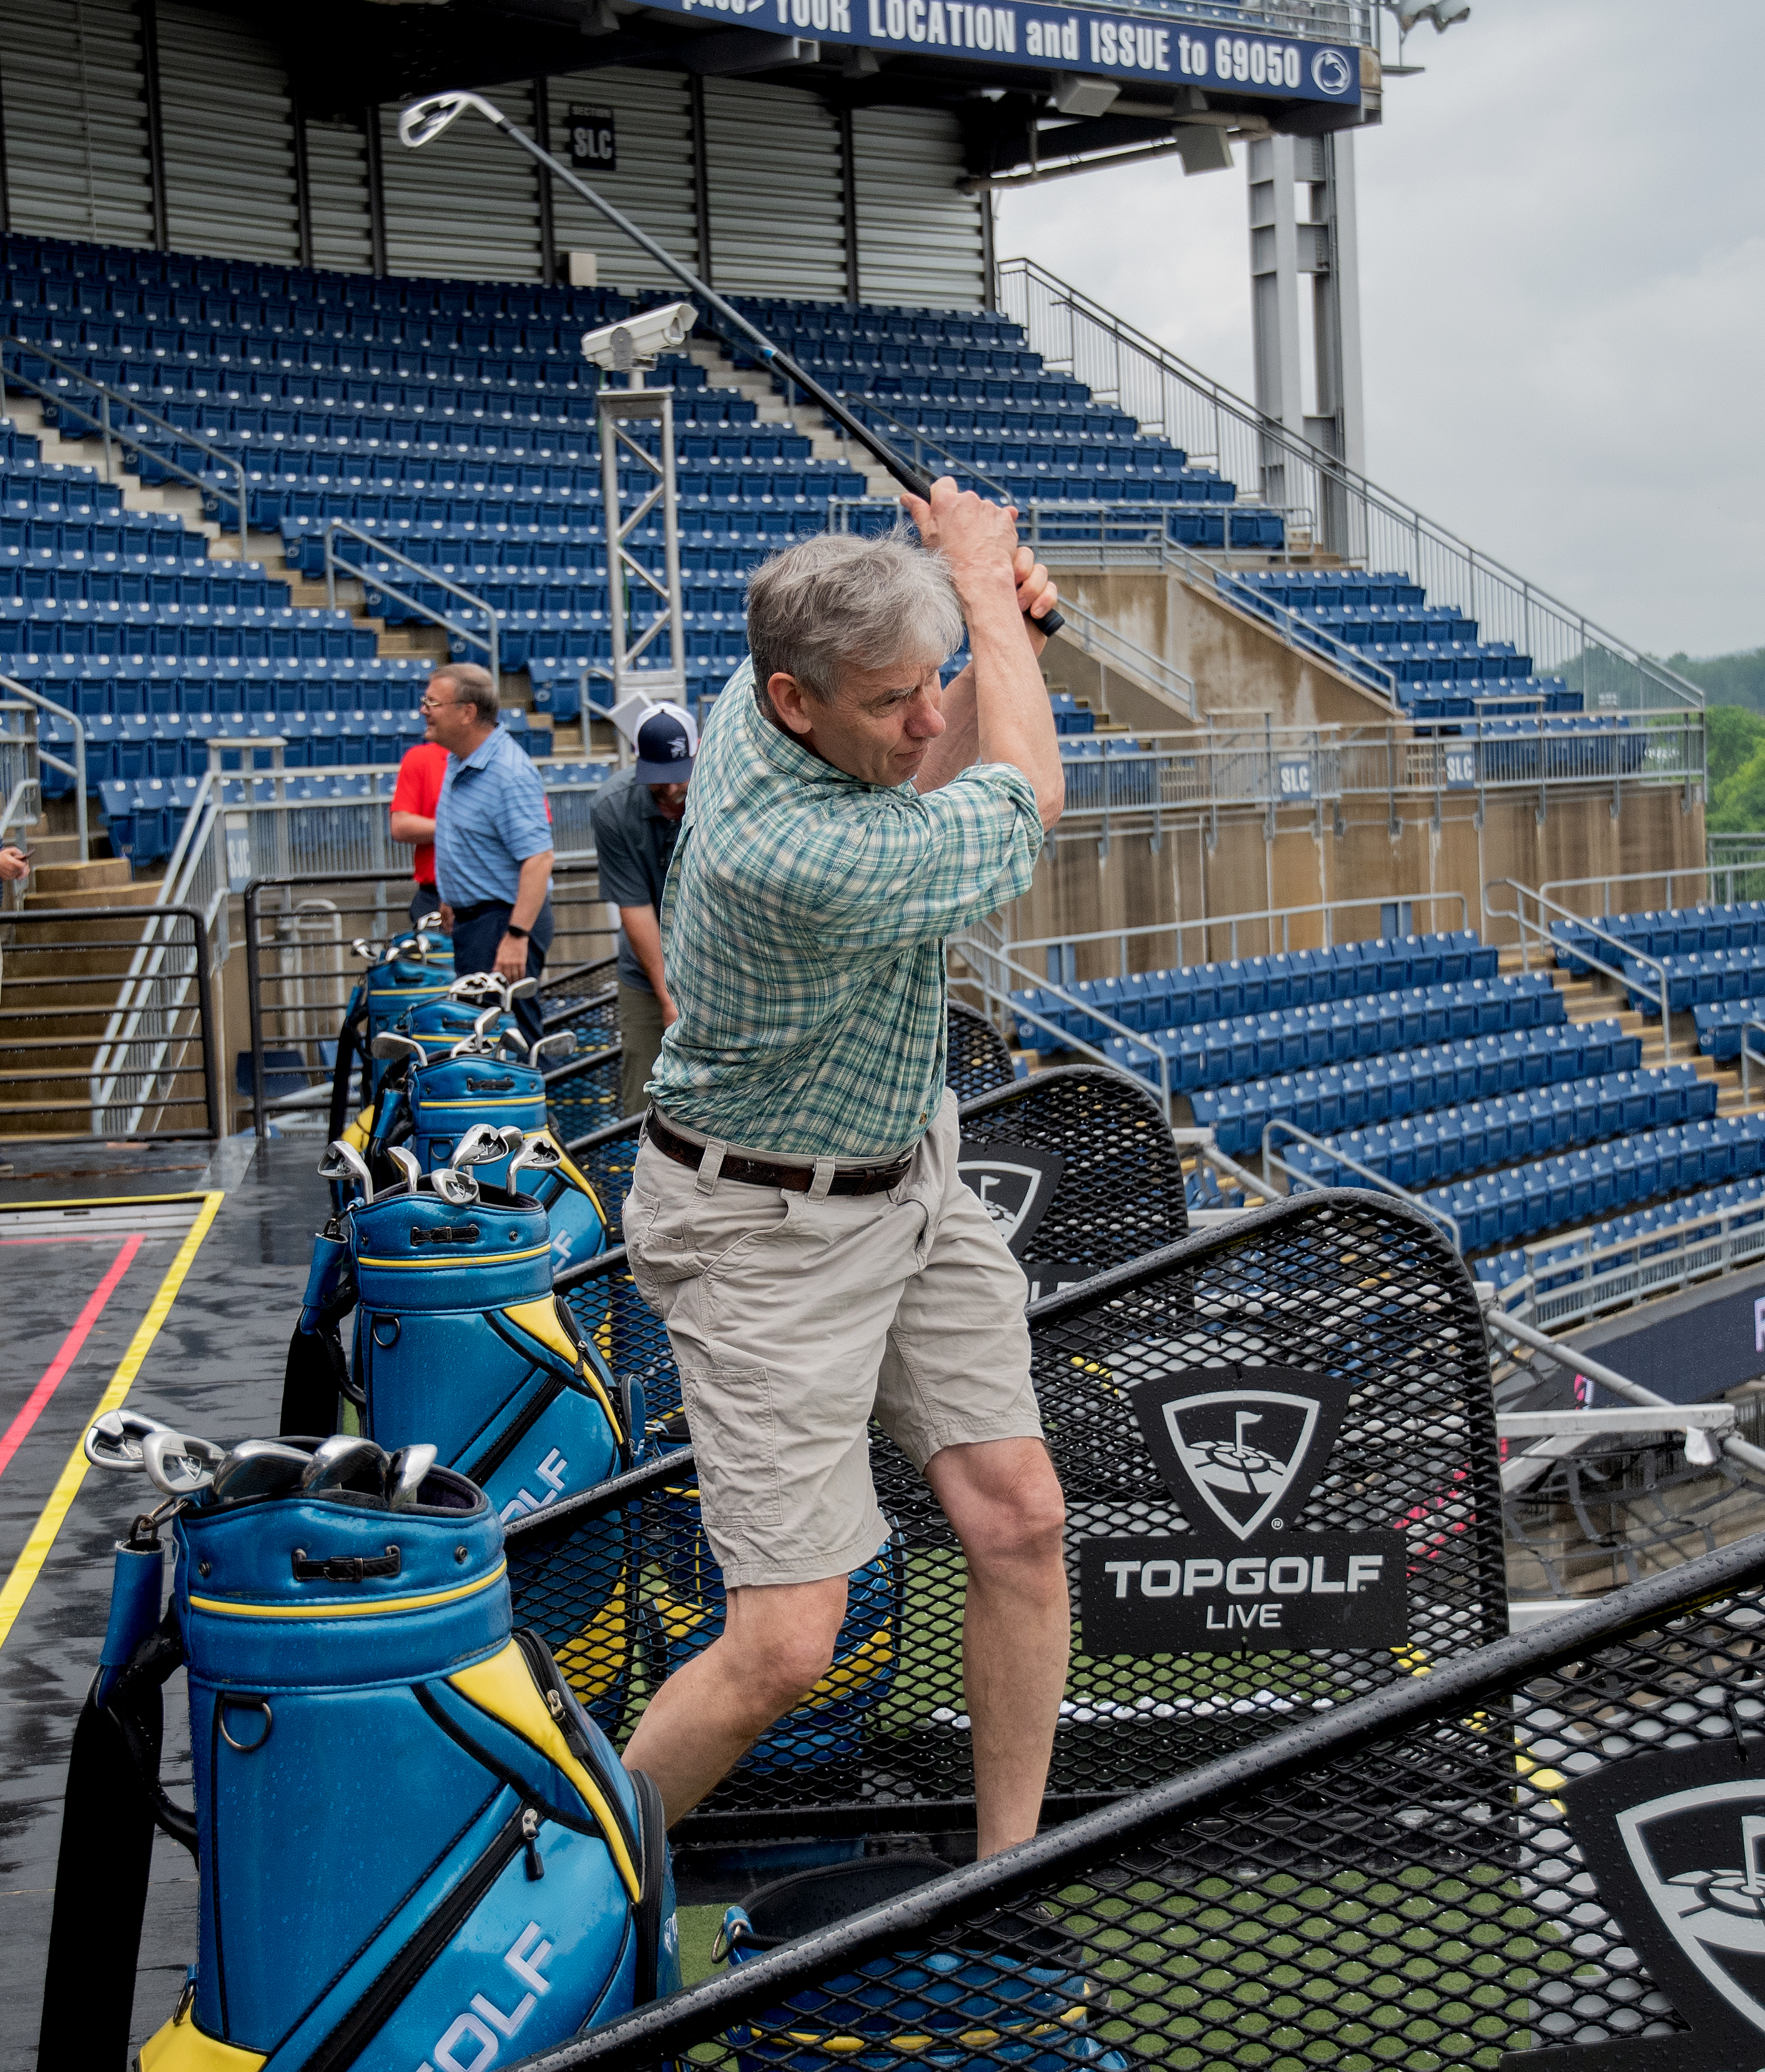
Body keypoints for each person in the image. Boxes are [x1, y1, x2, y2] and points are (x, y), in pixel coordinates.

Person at [619, 480, 1068, 1860]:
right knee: (782, 1646)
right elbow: (1026, 799)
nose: (929, 717)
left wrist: (971, 617)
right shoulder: (786, 850)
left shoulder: (781, 694)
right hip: (764, 1231)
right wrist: (988, 592)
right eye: (893, 701)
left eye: (935, 684)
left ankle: (1001, 1878)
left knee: (1020, 1520)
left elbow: (924, 765)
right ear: (792, 701)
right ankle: (544, 1903)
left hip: (904, 1174)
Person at [425, 662, 555, 1048]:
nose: (424, 710)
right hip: (477, 921)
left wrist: (517, 936)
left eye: (433, 702)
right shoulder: (459, 759)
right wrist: (451, 896)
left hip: (503, 923)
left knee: (509, 1042)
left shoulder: (508, 773)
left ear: (467, 712)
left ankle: (536, 1108)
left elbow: (538, 859)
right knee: (482, 1036)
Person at [589, 703, 696, 1118]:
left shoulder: (723, 794)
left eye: (678, 777)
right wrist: (668, 997)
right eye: (659, 780)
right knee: (642, 1100)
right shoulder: (614, 806)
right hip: (647, 970)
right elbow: (634, 908)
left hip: (718, 965)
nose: (671, 791)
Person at [387, 737, 450, 932]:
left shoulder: (506, 761)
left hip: (493, 898)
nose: (425, 710)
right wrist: (460, 828)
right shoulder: (421, 758)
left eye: (435, 704)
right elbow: (401, 826)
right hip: (433, 895)